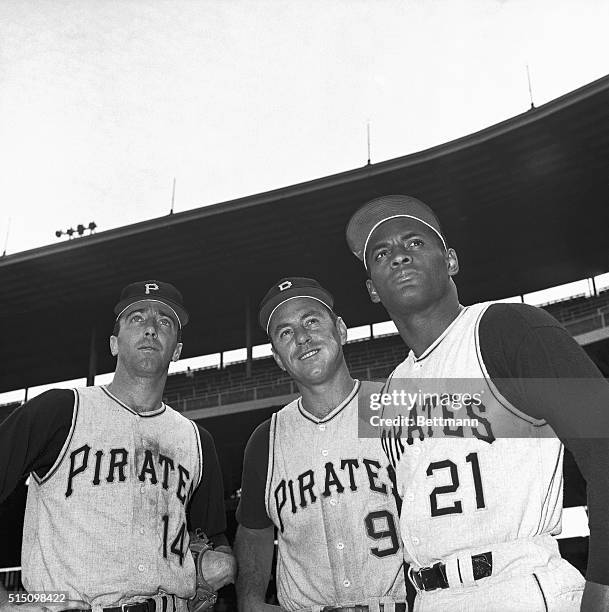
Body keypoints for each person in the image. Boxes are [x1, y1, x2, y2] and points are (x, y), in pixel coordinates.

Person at [345, 194, 609, 611]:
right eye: (382, 253)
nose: (398, 257)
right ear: (372, 290)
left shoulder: (508, 328)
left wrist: (604, 587)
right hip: (431, 598)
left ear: (450, 260)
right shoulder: (392, 389)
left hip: (516, 585)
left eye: (414, 243)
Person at [0, 280, 236, 612]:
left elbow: (213, 535)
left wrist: (221, 562)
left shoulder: (196, 440)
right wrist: (9, 602)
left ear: (177, 350)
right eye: (137, 318)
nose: (151, 328)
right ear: (114, 343)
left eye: (164, 322)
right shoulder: (60, 410)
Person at [234, 277, 408, 612]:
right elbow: (254, 529)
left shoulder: (393, 405)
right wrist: (250, 599)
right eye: (285, 333)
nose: (301, 338)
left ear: (341, 330)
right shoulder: (266, 439)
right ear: (279, 359)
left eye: (311, 320)